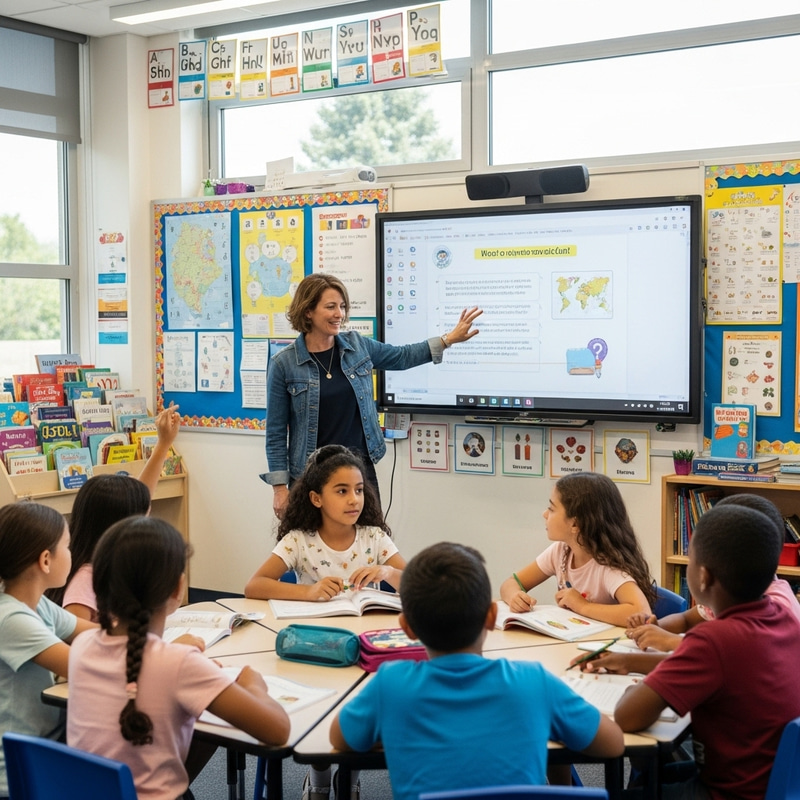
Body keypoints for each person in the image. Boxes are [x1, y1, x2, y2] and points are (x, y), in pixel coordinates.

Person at [329, 542, 624, 800]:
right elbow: (613, 744)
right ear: (492, 616)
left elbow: (341, 739)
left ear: (406, 628)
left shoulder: (390, 685)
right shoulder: (533, 681)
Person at [66, 516, 290, 800]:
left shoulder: (83, 646)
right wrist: (253, 682)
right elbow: (278, 731)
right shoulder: (179, 663)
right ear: (177, 588)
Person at [614, 504, 800, 800]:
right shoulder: (784, 616)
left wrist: (632, 691)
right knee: (649, 776)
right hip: (776, 784)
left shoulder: (714, 639)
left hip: (732, 792)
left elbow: (627, 717)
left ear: (703, 576)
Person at [262, 272, 482, 518]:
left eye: (343, 306)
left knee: (369, 544)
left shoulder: (357, 345)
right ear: (308, 311)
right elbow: (276, 432)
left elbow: (401, 356)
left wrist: (448, 339)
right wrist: (279, 489)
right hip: (312, 475)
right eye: (331, 307)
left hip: (359, 471)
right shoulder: (284, 364)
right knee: (311, 549)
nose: (340, 314)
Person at [579, 493, 800, 674]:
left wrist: (671, 642)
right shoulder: (729, 592)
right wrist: (655, 628)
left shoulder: (776, 606)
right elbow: (687, 619)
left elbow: (743, 657)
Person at [45, 402, 182, 621]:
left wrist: (164, 443)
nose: (146, 526)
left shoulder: (111, 565)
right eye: (141, 520)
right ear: (118, 530)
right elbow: (80, 642)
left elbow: (140, 498)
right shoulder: (86, 580)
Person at [0, 502, 96, 799]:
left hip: (46, 747)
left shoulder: (38, 604)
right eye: (67, 546)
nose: (71, 553)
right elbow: (85, 666)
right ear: (45, 560)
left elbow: (98, 635)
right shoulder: (10, 618)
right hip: (14, 774)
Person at [246, 444, 404, 601]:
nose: (354, 500)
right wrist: (308, 592)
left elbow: (419, 586)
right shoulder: (297, 541)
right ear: (316, 499)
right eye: (342, 491)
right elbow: (254, 586)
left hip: (365, 625)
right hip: (314, 625)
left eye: (359, 490)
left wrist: (389, 573)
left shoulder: (375, 537)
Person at [499, 472, 655, 626]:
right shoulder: (560, 551)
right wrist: (514, 596)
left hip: (606, 647)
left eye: (552, 509)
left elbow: (642, 613)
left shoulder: (607, 566)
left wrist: (583, 606)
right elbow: (512, 582)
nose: (545, 514)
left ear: (575, 524)